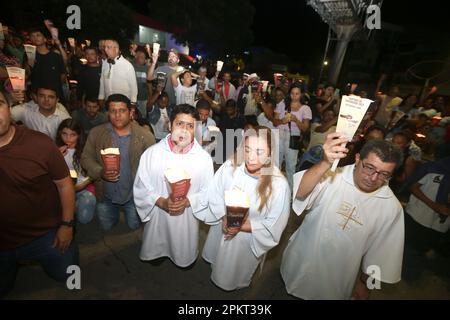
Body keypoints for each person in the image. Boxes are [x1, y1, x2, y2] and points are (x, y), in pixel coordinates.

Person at [281, 135, 405, 300]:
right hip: (302, 260)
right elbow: (300, 193)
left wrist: (366, 285)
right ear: (357, 158)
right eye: (369, 167)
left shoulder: (391, 208)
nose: (374, 178)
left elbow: (381, 253)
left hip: (338, 278)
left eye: (384, 174)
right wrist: (325, 162)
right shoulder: (333, 177)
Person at [0, 89, 78, 297]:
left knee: (71, 274)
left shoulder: (40, 144)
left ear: (10, 108)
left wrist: (67, 225)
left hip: (45, 234)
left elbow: (64, 185)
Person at [202, 126, 290, 290]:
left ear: (270, 153)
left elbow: (274, 223)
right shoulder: (230, 167)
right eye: (247, 149)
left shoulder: (278, 185)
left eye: (259, 152)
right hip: (222, 227)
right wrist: (223, 216)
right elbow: (214, 193)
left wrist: (239, 226)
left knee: (234, 272)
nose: (251, 157)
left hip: (246, 240)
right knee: (218, 259)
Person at [134, 104, 214, 268]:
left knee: (183, 256)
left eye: (190, 126)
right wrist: (161, 201)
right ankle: (157, 253)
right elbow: (141, 186)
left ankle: (183, 257)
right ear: (170, 125)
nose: (184, 130)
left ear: (195, 130)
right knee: (156, 254)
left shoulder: (203, 159)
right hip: (158, 216)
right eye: (179, 124)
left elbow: (208, 192)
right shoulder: (152, 153)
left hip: (186, 219)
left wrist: (188, 201)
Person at [81, 94, 155, 231]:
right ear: (108, 113)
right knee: (107, 226)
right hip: (106, 194)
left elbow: (154, 166)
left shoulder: (145, 136)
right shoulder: (97, 133)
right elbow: (86, 158)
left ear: (130, 112)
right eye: (113, 111)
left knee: (133, 225)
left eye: (122, 110)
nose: (117, 115)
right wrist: (100, 172)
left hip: (133, 195)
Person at [56, 119, 96, 224]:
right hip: (61, 188)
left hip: (83, 187)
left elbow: (94, 172)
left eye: (73, 135)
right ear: (60, 133)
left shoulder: (87, 149)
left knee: (84, 219)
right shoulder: (55, 149)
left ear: (79, 135)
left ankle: (75, 205)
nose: (68, 139)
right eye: (64, 134)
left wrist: (83, 185)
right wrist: (56, 158)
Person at [273, 82, 312, 188]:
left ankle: (289, 194)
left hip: (293, 136)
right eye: (292, 93)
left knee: (291, 166)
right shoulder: (282, 104)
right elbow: (274, 122)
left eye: (297, 94)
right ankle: (273, 189)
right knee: (276, 164)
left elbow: (305, 128)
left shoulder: (305, 108)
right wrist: (282, 120)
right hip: (279, 134)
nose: (294, 96)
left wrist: (296, 120)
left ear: (301, 94)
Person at [29, 29, 66, 105]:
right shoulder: (29, 55)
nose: (35, 38)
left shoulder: (55, 56)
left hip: (55, 96)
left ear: (45, 39)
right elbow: (28, 75)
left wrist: (56, 89)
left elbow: (63, 75)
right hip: (37, 97)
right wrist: (30, 63)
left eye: (38, 35)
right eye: (32, 36)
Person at [98, 40, 138, 107]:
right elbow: (102, 82)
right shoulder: (105, 63)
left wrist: (133, 105)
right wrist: (101, 98)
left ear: (116, 49)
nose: (105, 49)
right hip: (108, 104)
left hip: (123, 104)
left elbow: (134, 87)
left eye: (108, 47)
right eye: (104, 47)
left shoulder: (127, 65)